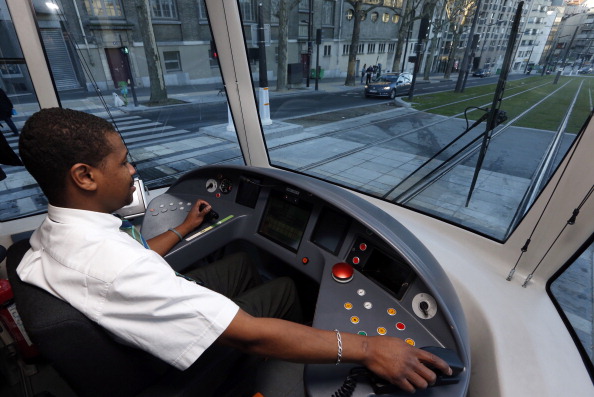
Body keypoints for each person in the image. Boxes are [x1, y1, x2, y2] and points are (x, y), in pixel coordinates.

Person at [17, 108, 451, 395]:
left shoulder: (56, 231)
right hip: (162, 366)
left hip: (124, 320)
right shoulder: (117, 268)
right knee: (281, 287)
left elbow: (133, 259)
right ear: (85, 176)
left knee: (243, 262)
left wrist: (185, 229)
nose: (134, 172)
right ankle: (273, 376)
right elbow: (251, 332)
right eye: (124, 162)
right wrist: (369, 349)